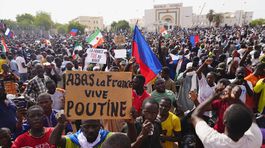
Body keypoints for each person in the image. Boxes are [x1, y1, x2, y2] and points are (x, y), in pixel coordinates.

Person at [191, 96, 262, 147]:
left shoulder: (212, 140)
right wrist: (237, 100)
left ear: (224, 121)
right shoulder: (255, 140)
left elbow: (195, 115)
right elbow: (252, 116)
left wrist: (214, 95)